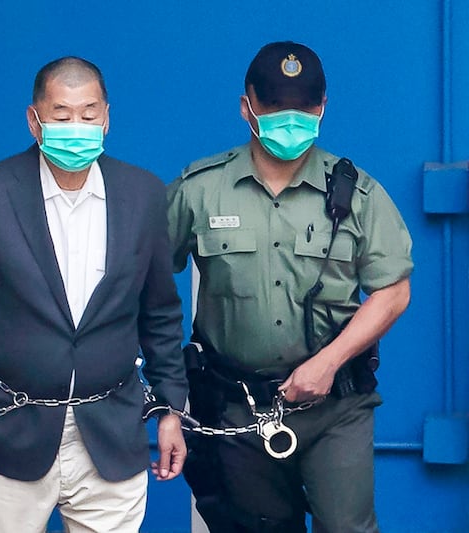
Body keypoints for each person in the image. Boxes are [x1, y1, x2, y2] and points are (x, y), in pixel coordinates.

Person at [0, 56, 188, 532]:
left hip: (112, 432)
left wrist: (170, 407)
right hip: (6, 434)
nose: (77, 127)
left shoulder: (144, 194)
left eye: (89, 115)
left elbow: (161, 314)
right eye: (62, 116)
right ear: (34, 120)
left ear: (107, 118)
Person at [167, 41, 412, 532]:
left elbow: (393, 291)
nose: (290, 120)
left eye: (303, 109)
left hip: (335, 407)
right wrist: (162, 391)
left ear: (322, 108)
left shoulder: (360, 193)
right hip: (237, 409)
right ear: (247, 106)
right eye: (276, 108)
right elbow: (146, 282)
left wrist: (327, 362)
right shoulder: (199, 189)